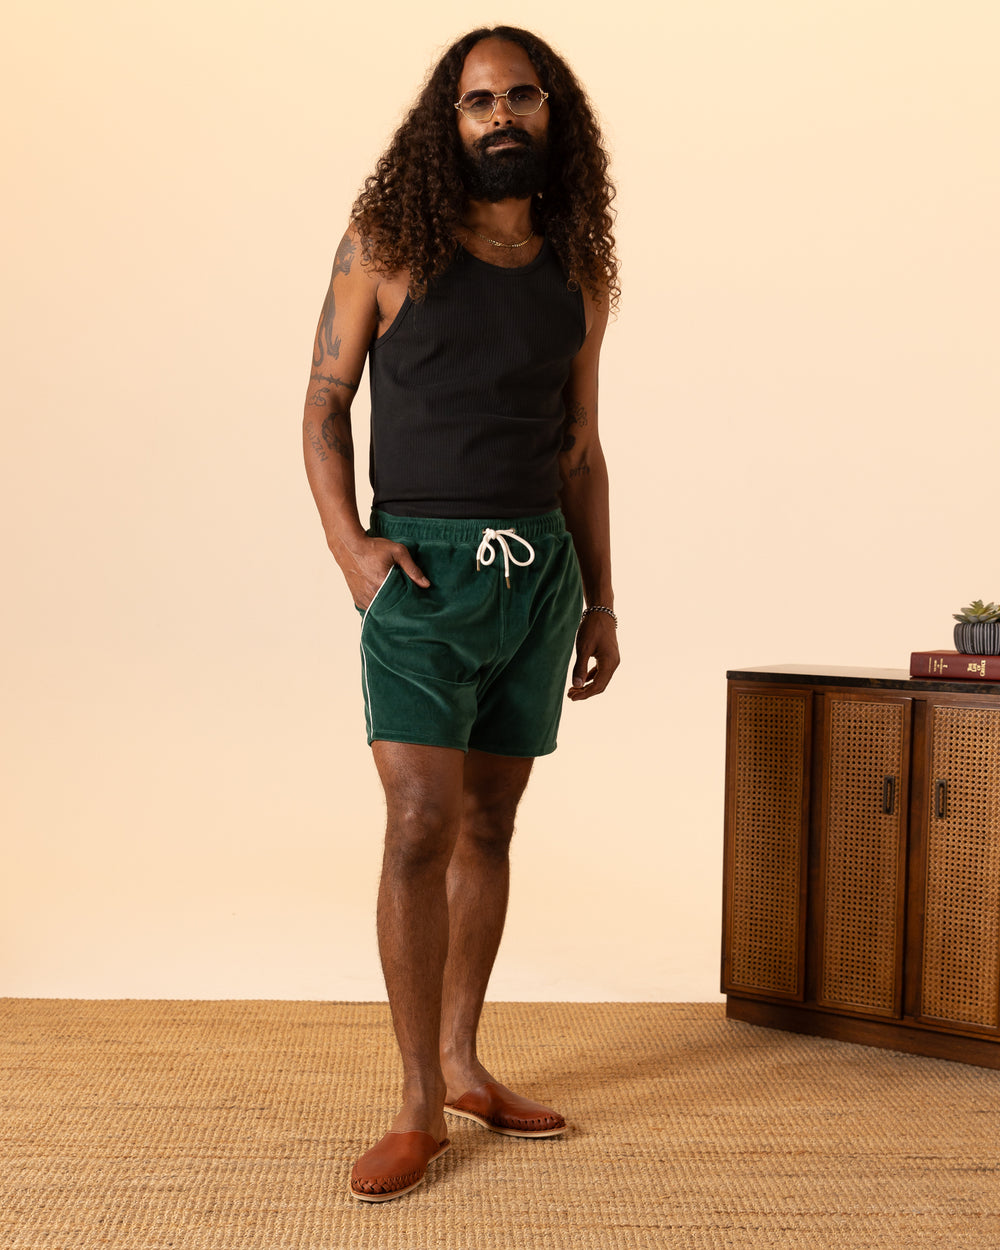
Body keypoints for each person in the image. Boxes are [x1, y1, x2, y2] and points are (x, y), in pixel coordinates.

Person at [302, 25, 620, 1202]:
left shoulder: (577, 269)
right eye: (479, 98)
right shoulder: (386, 244)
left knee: (490, 818)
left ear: (553, 115)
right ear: (449, 119)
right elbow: (324, 400)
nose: (500, 115)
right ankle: (413, 1104)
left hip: (539, 569)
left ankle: (463, 1059)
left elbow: (583, 448)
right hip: (422, 571)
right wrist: (352, 549)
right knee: (419, 818)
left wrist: (601, 597)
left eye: (521, 96)